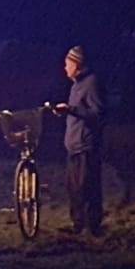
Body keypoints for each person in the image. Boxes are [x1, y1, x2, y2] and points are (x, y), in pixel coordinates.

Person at [54, 45, 106, 236]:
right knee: (74, 188)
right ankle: (78, 225)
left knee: (88, 187)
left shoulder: (91, 83)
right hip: (73, 145)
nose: (65, 68)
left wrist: (71, 110)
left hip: (86, 145)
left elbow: (97, 114)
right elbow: (77, 111)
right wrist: (66, 111)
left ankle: (92, 227)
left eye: (68, 64)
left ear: (78, 64)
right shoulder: (76, 84)